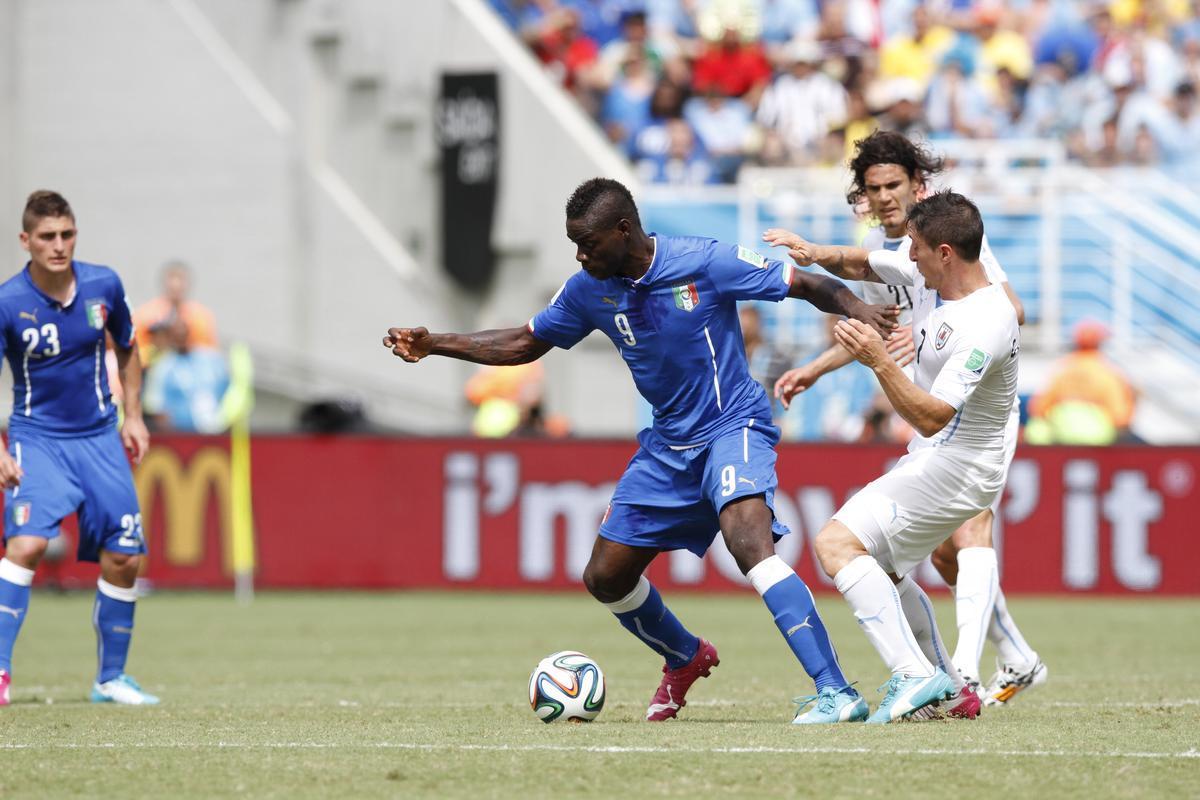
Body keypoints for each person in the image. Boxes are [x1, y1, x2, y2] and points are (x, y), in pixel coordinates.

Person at [384, 177, 899, 724]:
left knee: (748, 540)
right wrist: (435, 343)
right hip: (667, 447)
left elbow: (802, 284)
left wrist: (855, 308)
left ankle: (836, 691)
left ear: (624, 230)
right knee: (605, 576)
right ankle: (684, 655)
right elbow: (525, 342)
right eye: (574, 244)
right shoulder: (588, 288)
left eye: (588, 242)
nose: (581, 255)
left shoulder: (704, 261)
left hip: (733, 425)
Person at [767, 130, 1046, 710]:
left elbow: (1002, 314)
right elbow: (876, 297)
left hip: (967, 423)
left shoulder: (953, 243)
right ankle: (994, 660)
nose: (885, 197)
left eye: (894, 184)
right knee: (927, 556)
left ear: (918, 186)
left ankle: (962, 674)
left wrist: (932, 347)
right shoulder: (911, 256)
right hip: (936, 415)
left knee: (962, 530)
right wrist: (818, 365)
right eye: (873, 189)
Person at [798, 191, 1020, 723]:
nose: (908, 256)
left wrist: (878, 361)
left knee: (836, 544)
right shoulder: (939, 280)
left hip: (959, 465)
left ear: (945, 252)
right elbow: (863, 260)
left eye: (916, 247)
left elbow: (932, 416)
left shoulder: (985, 323)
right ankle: (951, 691)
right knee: (882, 566)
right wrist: (809, 251)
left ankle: (914, 674)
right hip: (946, 457)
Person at [0, 191, 158, 706]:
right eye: (47, 236)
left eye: (66, 234)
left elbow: (129, 350)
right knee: (25, 546)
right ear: (26, 241)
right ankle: (0, 673)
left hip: (98, 438)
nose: (59, 245)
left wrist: (132, 414)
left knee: (125, 556)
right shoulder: (7, 302)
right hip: (37, 438)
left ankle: (110, 679)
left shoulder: (102, 284)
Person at [132, 260, 218, 366]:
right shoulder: (145, 315)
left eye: (180, 279)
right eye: (172, 278)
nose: (176, 284)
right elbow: (134, 354)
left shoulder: (201, 317)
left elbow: (211, 355)